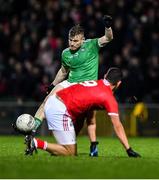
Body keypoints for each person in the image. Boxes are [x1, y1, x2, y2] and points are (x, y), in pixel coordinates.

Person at [32, 15, 114, 156]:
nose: (72, 43)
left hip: (86, 87)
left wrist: (108, 27)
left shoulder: (92, 45)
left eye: (75, 41)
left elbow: (108, 38)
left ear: (83, 39)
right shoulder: (65, 53)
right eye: (70, 40)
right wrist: (52, 85)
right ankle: (30, 130)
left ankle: (86, 146)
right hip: (70, 83)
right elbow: (63, 71)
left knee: (85, 120)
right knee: (47, 101)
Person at [25, 67, 141, 158]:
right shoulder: (108, 97)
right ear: (119, 83)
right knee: (70, 153)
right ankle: (35, 142)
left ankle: (55, 150)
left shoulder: (96, 83)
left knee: (67, 148)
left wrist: (93, 142)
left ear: (105, 76)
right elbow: (117, 125)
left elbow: (88, 113)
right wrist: (128, 149)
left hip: (55, 101)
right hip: (60, 108)